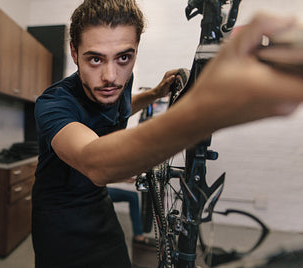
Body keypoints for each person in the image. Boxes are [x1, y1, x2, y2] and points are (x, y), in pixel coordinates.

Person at [32, 0, 303, 267]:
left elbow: (120, 111)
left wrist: (154, 93)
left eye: (124, 57)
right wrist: (208, 110)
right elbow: (94, 162)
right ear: (74, 52)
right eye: (95, 59)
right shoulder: (54, 104)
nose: (111, 76)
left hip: (98, 206)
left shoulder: (119, 84)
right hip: (59, 220)